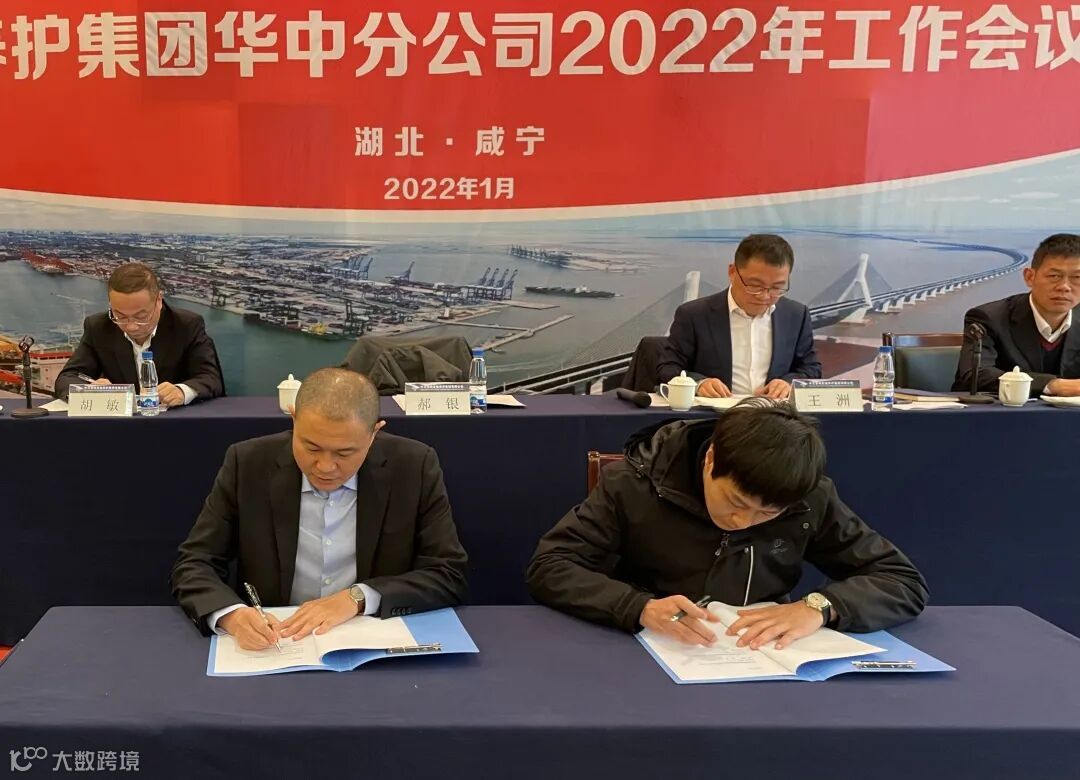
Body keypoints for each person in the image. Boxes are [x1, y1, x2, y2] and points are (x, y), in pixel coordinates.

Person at [527, 401, 927, 649]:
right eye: (736, 502)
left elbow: (901, 581)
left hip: (759, 655)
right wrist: (638, 607)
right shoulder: (633, 485)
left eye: (766, 515)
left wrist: (820, 607)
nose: (743, 521)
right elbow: (552, 565)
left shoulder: (811, 499)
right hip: (647, 647)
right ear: (711, 459)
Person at [171, 368, 468, 650]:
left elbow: (447, 573)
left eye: (344, 453)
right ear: (294, 418)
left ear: (374, 433)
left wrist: (358, 598)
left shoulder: (413, 466)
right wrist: (231, 615)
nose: (325, 467)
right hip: (277, 642)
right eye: (311, 448)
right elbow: (195, 562)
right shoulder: (248, 463)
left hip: (370, 637)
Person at [656, 234, 821, 401]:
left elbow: (811, 368)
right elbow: (668, 367)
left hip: (774, 413)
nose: (764, 296)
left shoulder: (796, 315)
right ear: (732, 272)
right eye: (755, 285)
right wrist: (699, 383)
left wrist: (789, 383)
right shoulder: (694, 315)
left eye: (777, 287)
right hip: (713, 413)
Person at [53, 262, 224, 405]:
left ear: (159, 301)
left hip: (175, 423)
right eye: (120, 316)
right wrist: (88, 390)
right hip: (120, 425)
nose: (132, 326)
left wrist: (182, 391)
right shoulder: (98, 327)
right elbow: (67, 378)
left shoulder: (186, 325)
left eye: (141, 316)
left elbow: (210, 378)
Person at [953, 233, 1080, 396]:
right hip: (1000, 410)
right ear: (1030, 277)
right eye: (1054, 276)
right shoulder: (988, 318)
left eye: (1077, 277)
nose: (1064, 287)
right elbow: (975, 375)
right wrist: (1053, 385)